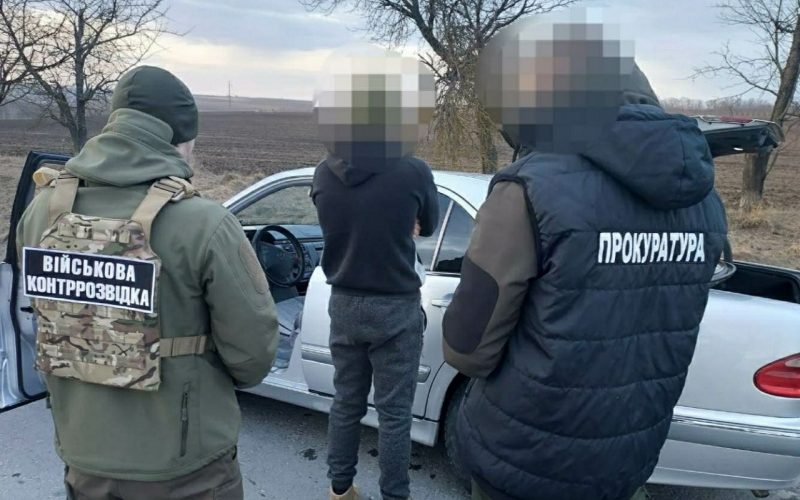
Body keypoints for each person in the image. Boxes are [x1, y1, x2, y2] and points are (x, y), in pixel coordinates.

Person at [442, 14, 729, 500]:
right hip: (628, 458)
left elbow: (467, 348)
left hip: (526, 459)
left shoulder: (530, 187)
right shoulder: (704, 201)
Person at [16, 65, 279, 500]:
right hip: (186, 469)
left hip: (84, 458)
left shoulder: (43, 211)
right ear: (180, 139)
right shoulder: (204, 223)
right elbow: (253, 358)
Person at [311, 53, 439, 500]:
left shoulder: (324, 171)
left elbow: (335, 222)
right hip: (395, 306)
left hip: (344, 303)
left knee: (346, 402)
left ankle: (340, 490)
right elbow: (430, 224)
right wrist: (404, 222)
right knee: (395, 414)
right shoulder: (412, 170)